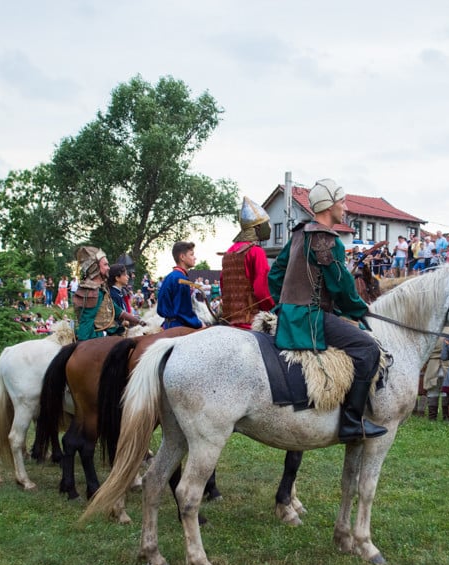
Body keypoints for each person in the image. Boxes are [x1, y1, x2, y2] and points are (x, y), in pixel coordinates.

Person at [267, 178, 387, 443]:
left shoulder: (299, 234)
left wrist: (283, 304)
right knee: (368, 349)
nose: (345, 207)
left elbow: (275, 273)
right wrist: (359, 309)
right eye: (342, 201)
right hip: (310, 318)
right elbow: (342, 285)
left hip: (292, 314)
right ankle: (351, 424)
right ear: (329, 205)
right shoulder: (327, 240)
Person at [219, 197, 276, 329]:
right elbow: (261, 291)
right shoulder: (256, 252)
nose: (268, 226)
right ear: (257, 227)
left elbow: (223, 286)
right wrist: (274, 308)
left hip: (229, 321)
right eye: (266, 223)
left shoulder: (228, 252)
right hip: (251, 322)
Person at [73, 246, 123, 340]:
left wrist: (139, 321)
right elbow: (86, 322)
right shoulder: (92, 291)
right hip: (97, 339)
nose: (108, 268)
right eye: (105, 265)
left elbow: (116, 310)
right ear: (95, 267)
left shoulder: (101, 288)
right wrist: (82, 347)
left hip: (108, 334)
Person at [157, 241, 205, 330]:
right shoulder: (182, 280)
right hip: (178, 328)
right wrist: (199, 324)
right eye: (191, 255)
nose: (195, 258)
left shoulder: (169, 277)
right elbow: (184, 312)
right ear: (182, 257)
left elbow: (161, 307)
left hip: (167, 325)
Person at [107, 264, 144, 332]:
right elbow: (113, 319)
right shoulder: (113, 295)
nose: (128, 277)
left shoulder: (118, 293)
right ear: (117, 278)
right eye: (124, 274)